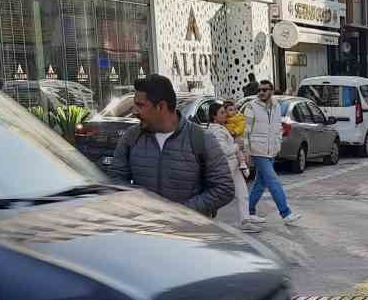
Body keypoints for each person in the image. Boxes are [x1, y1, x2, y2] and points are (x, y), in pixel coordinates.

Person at [106, 74, 233, 216]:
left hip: (189, 234)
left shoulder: (201, 138)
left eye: (140, 105)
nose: (134, 111)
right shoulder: (131, 137)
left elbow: (224, 188)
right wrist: (141, 205)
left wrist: (180, 212)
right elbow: (116, 179)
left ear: (161, 106)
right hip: (145, 232)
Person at [242, 79, 302, 225]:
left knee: (260, 184)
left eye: (265, 89)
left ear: (271, 90)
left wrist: (278, 142)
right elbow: (246, 131)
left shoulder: (277, 106)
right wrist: (246, 152)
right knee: (273, 181)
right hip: (258, 150)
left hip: (272, 150)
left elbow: (278, 127)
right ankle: (285, 213)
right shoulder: (251, 106)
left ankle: (248, 211)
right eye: (259, 90)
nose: (261, 92)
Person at [205, 100, 256, 232]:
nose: (225, 115)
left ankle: (245, 221)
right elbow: (224, 150)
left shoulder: (222, 128)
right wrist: (236, 146)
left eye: (224, 112)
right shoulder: (216, 131)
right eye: (221, 113)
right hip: (227, 165)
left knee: (242, 192)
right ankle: (207, 216)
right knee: (220, 194)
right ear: (214, 116)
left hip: (233, 164)